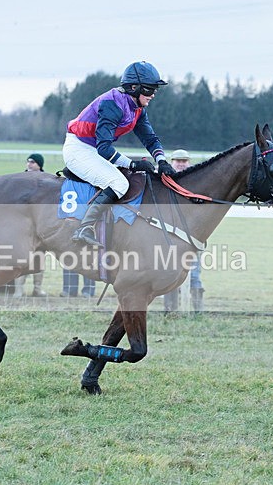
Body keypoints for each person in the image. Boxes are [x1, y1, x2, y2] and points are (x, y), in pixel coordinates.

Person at [63, 61, 177, 247]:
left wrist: (162, 160)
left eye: (155, 90)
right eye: (149, 89)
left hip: (92, 149)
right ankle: (85, 228)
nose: (153, 94)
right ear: (134, 87)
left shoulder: (138, 109)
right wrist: (133, 164)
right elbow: (104, 148)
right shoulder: (112, 103)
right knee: (119, 183)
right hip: (79, 148)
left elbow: (150, 139)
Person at [162, 149, 204, 313]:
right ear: (171, 162)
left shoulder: (197, 183)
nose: (180, 164)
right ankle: (170, 310)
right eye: (177, 161)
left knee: (193, 274)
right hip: (168, 237)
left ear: (189, 163)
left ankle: (197, 312)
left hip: (192, 236)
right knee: (169, 273)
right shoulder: (165, 182)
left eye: (184, 161)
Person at [13, 153, 48, 297]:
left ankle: (37, 289)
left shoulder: (47, 180)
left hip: (40, 225)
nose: (29, 164)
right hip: (24, 224)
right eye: (28, 162)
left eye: (32, 162)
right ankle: (18, 290)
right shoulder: (20, 179)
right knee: (22, 258)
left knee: (39, 258)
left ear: (39, 164)